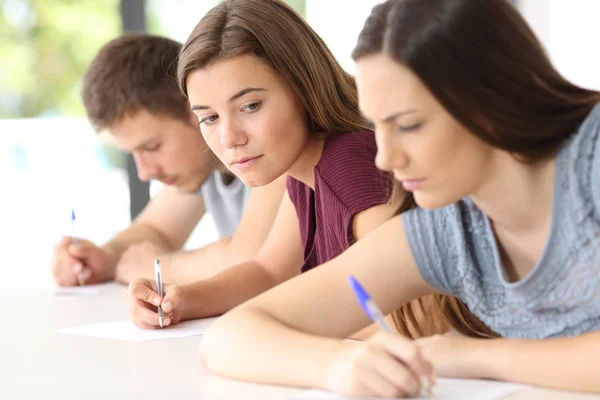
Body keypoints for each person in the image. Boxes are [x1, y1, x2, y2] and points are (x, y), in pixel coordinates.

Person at [197, 0, 600, 397]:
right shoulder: (448, 228)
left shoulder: (591, 159)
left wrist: (478, 358)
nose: (385, 158)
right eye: (378, 126)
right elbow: (230, 338)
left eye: (408, 125)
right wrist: (339, 367)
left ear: (489, 101)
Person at [124, 0, 414, 334]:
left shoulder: (352, 165)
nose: (229, 138)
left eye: (250, 106)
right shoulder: (302, 167)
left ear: (303, 86)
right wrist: (180, 300)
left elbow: (406, 315)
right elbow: (267, 271)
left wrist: (276, 326)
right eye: (209, 118)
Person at [51, 33, 285, 287]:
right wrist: (104, 257)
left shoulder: (273, 154)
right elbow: (156, 231)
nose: (145, 172)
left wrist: (155, 267)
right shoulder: (203, 168)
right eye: (133, 154)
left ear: (195, 108)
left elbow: (248, 258)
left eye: (152, 147)